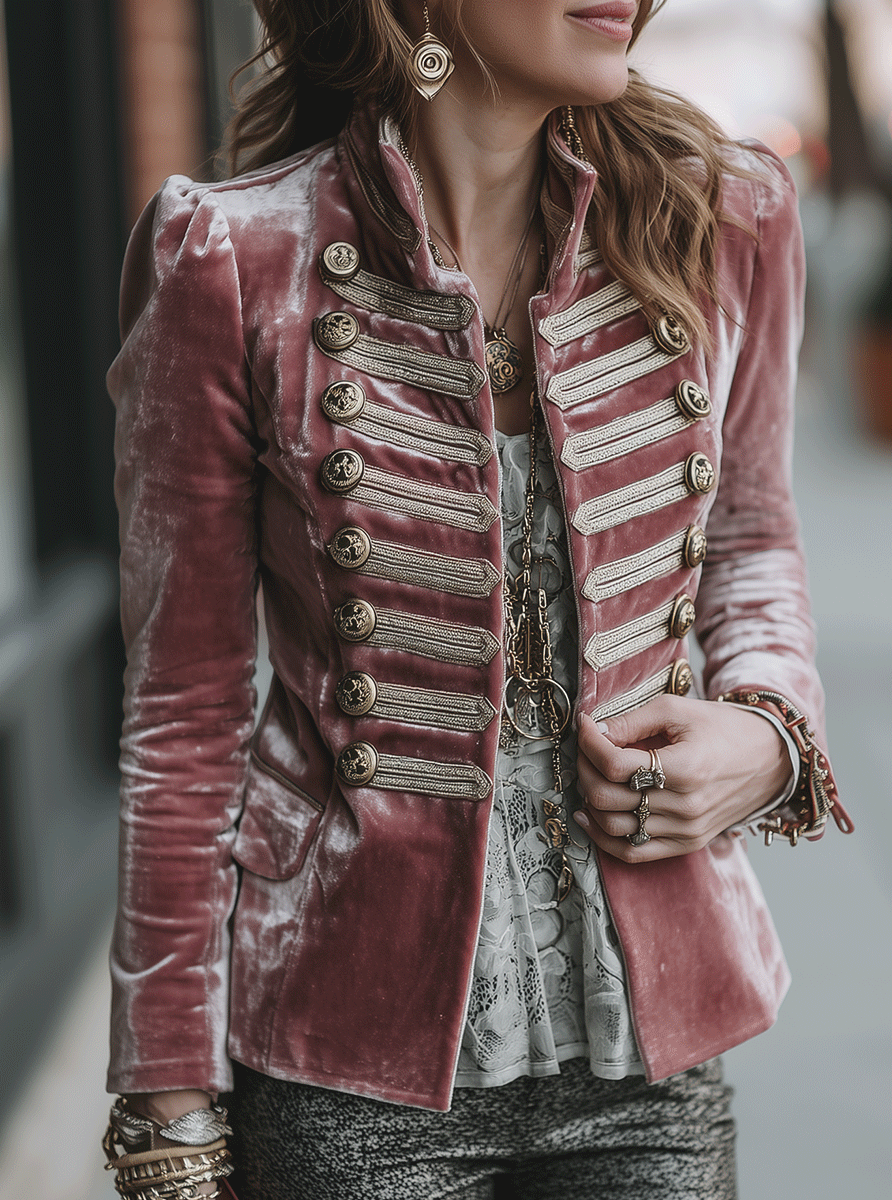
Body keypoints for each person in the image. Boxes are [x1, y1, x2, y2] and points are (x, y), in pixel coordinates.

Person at [101, 1, 854, 1197]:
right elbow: (184, 710)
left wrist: (767, 730)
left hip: (645, 1049)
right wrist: (167, 1104)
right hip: (347, 1058)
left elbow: (753, 536)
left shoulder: (723, 214)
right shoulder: (232, 260)